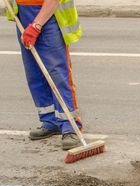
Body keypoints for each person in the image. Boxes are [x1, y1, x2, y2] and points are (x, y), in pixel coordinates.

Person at [5, 0, 83, 150]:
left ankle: (70, 125)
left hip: (49, 16)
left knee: (57, 74)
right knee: (34, 73)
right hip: (23, 15)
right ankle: (50, 121)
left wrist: (36, 26)